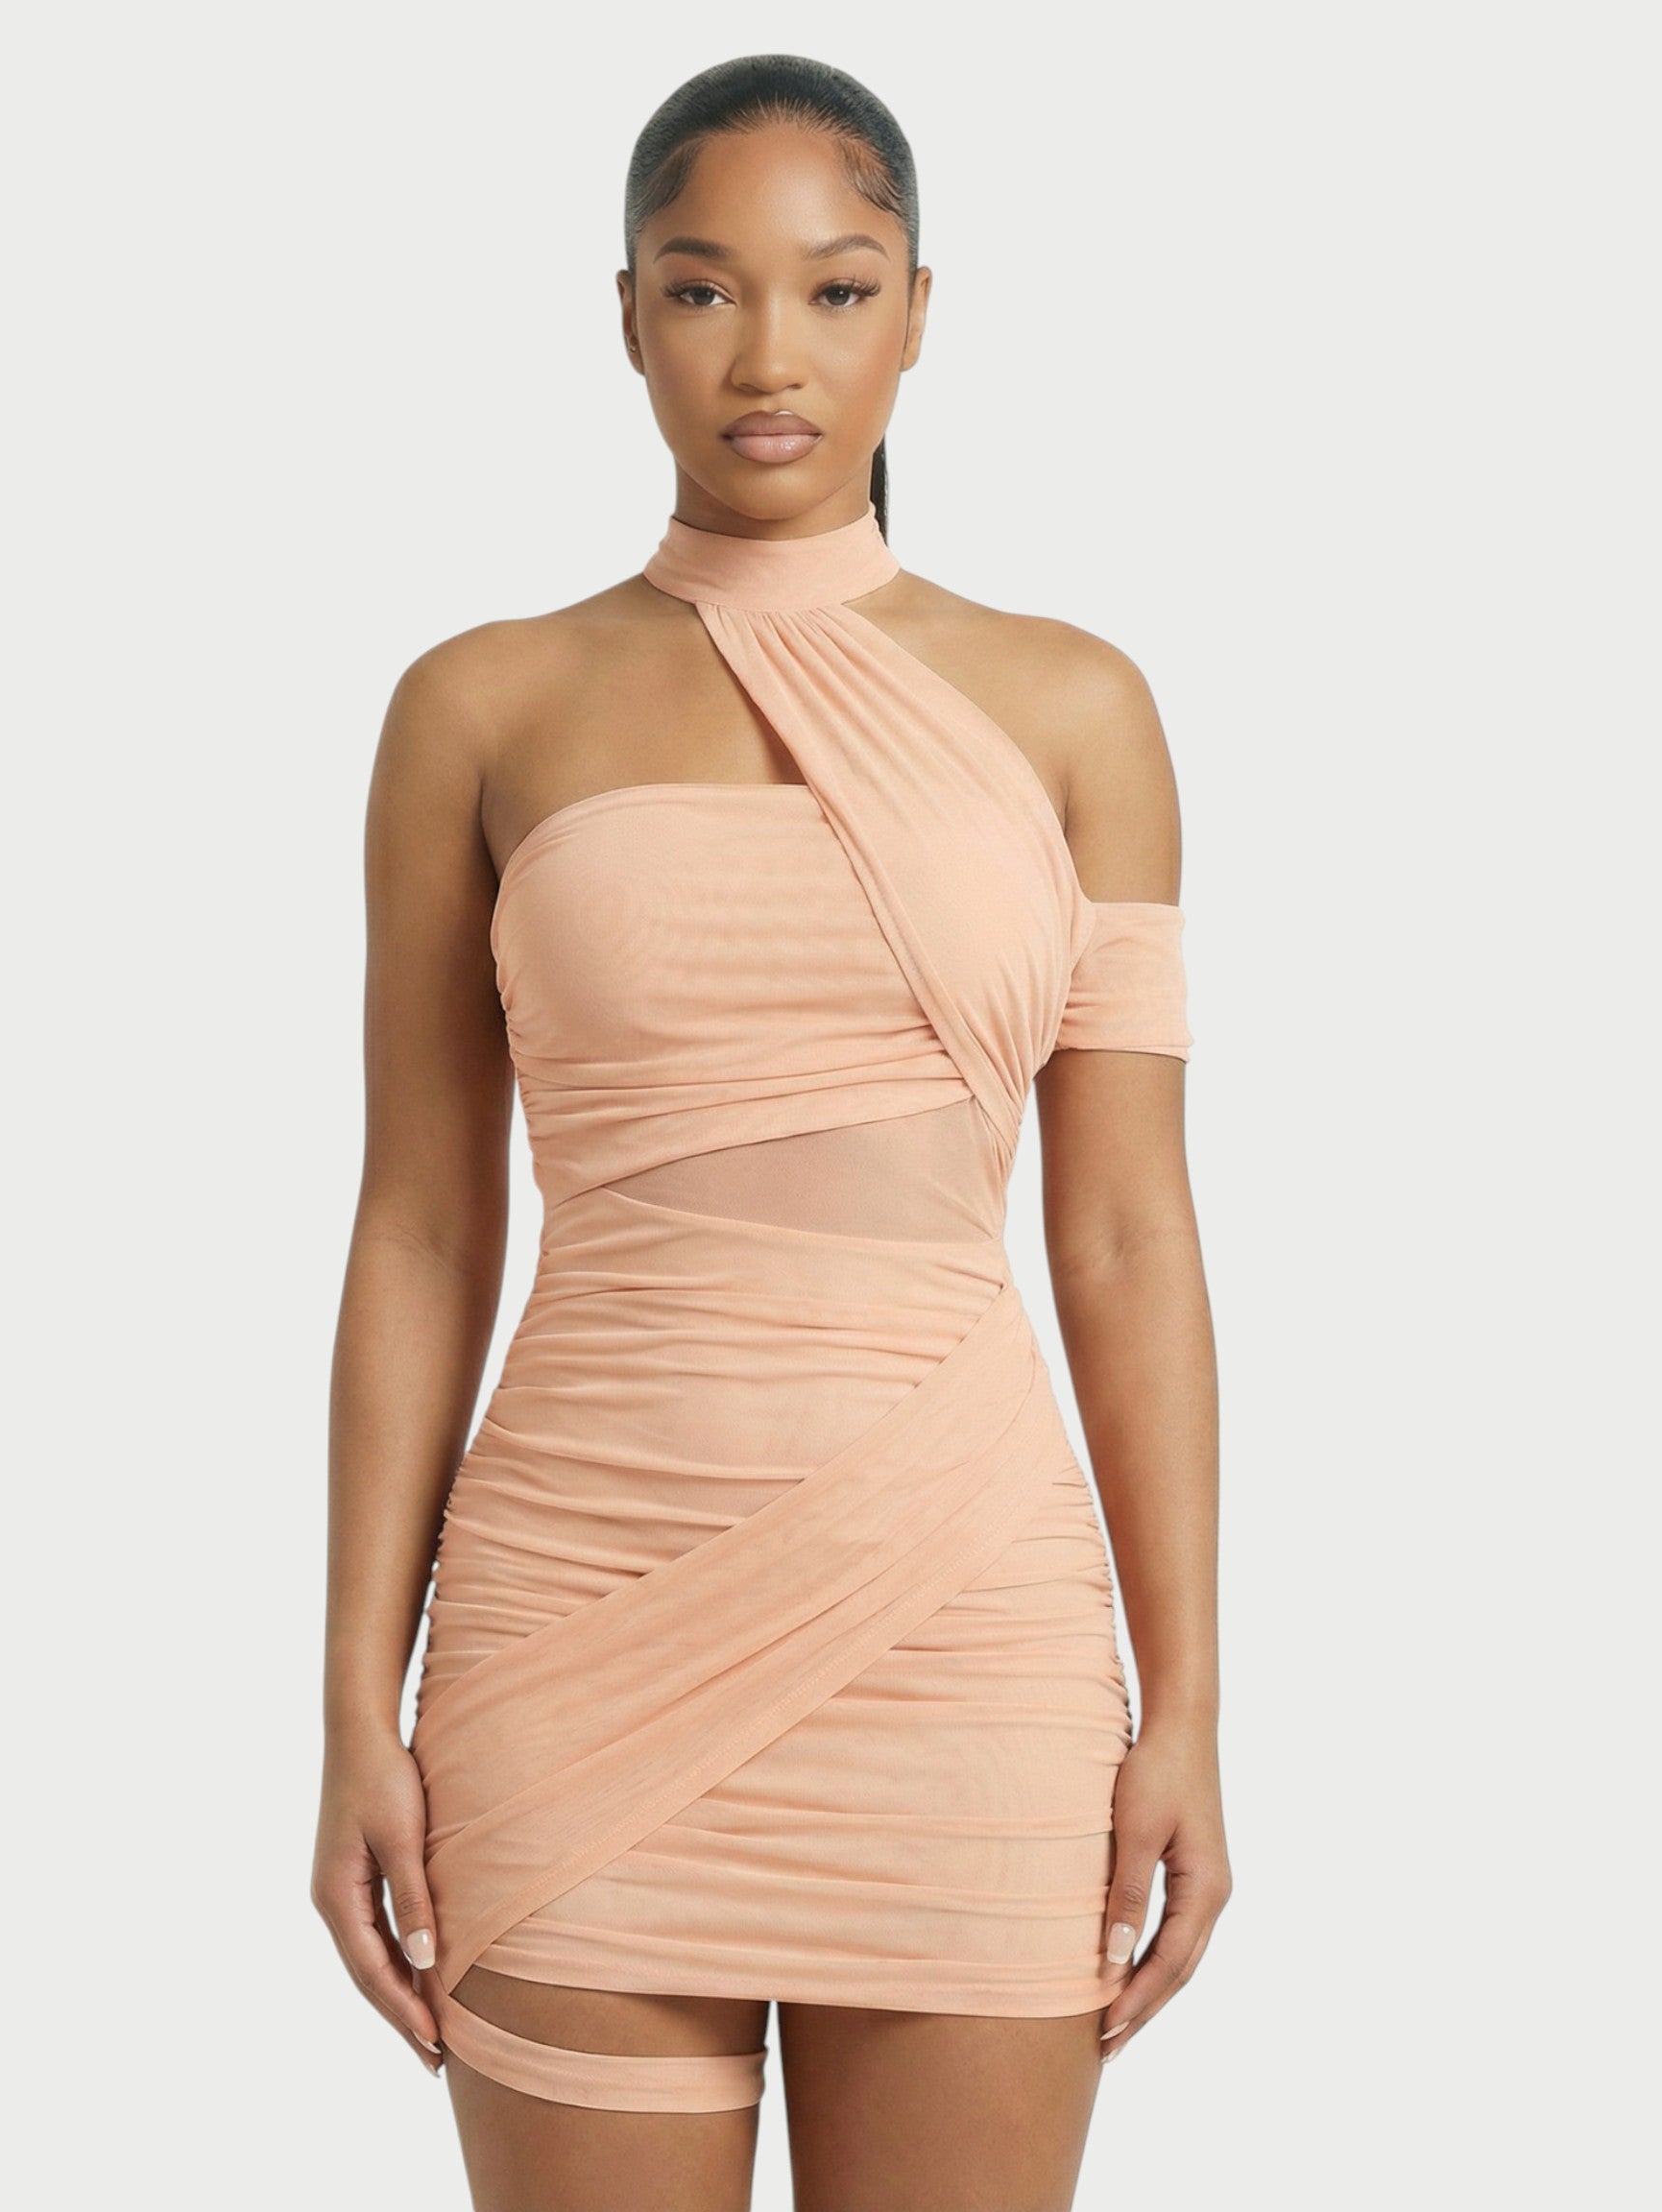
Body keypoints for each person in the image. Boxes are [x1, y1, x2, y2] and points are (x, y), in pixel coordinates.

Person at [312, 52, 1229, 2212]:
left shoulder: (1078, 708)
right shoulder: (479, 705)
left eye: (836, 288)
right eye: (704, 287)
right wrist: (355, 1692)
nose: (767, 356)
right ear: (626, 314)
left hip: (969, 1623)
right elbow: (420, 1225)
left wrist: (1188, 1695)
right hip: (574, 1613)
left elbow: (1124, 1237)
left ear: (920, 314)